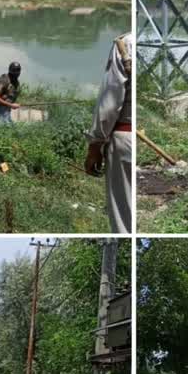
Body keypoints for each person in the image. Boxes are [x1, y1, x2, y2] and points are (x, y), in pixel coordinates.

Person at [84, 33, 133, 233]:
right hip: (132, 135)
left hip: (122, 138)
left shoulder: (125, 43)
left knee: (124, 218)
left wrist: (95, 145)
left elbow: (109, 104)